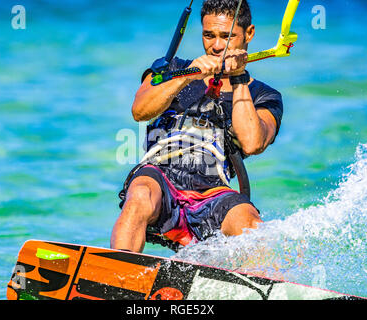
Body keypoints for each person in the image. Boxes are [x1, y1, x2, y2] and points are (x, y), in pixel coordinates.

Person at [111, 0, 283, 253]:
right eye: (208, 35)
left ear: (249, 34)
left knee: (250, 223)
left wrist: (239, 78)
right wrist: (189, 75)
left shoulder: (263, 95)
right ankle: (117, 272)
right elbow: (140, 110)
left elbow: (252, 143)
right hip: (160, 182)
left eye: (227, 36)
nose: (216, 46)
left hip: (213, 191)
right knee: (140, 194)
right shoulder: (172, 68)